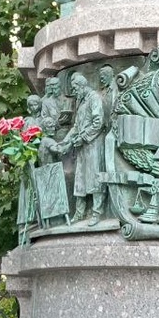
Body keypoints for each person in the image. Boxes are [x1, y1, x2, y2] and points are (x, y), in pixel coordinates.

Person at [49, 73, 107, 225]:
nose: (74, 92)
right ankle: (80, 212)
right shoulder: (81, 100)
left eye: (75, 89)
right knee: (80, 178)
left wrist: (84, 137)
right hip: (81, 146)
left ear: (82, 86)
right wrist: (65, 142)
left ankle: (97, 212)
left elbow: (98, 122)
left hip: (93, 144)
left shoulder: (94, 98)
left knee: (95, 178)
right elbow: (76, 126)